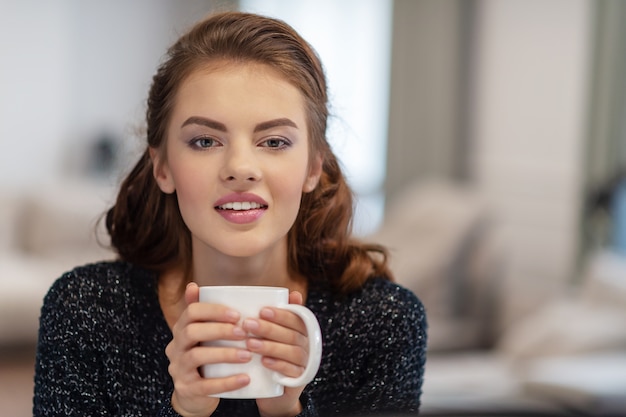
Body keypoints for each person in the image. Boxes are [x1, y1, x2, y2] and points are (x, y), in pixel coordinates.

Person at [33, 11, 427, 417]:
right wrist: (182, 411)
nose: (240, 168)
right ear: (162, 166)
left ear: (313, 167)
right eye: (205, 141)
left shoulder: (381, 322)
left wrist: (286, 412)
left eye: (273, 141)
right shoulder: (86, 310)